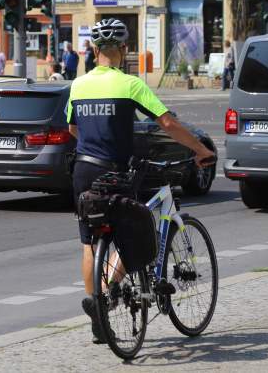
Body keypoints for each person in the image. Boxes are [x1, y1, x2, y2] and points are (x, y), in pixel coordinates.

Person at [67, 18, 215, 344]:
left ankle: (97, 309)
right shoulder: (130, 85)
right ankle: (106, 297)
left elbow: (73, 129)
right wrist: (199, 149)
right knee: (129, 235)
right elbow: (166, 122)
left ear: (93, 50)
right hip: (115, 171)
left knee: (89, 242)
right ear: (124, 49)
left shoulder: (78, 85)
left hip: (83, 170)